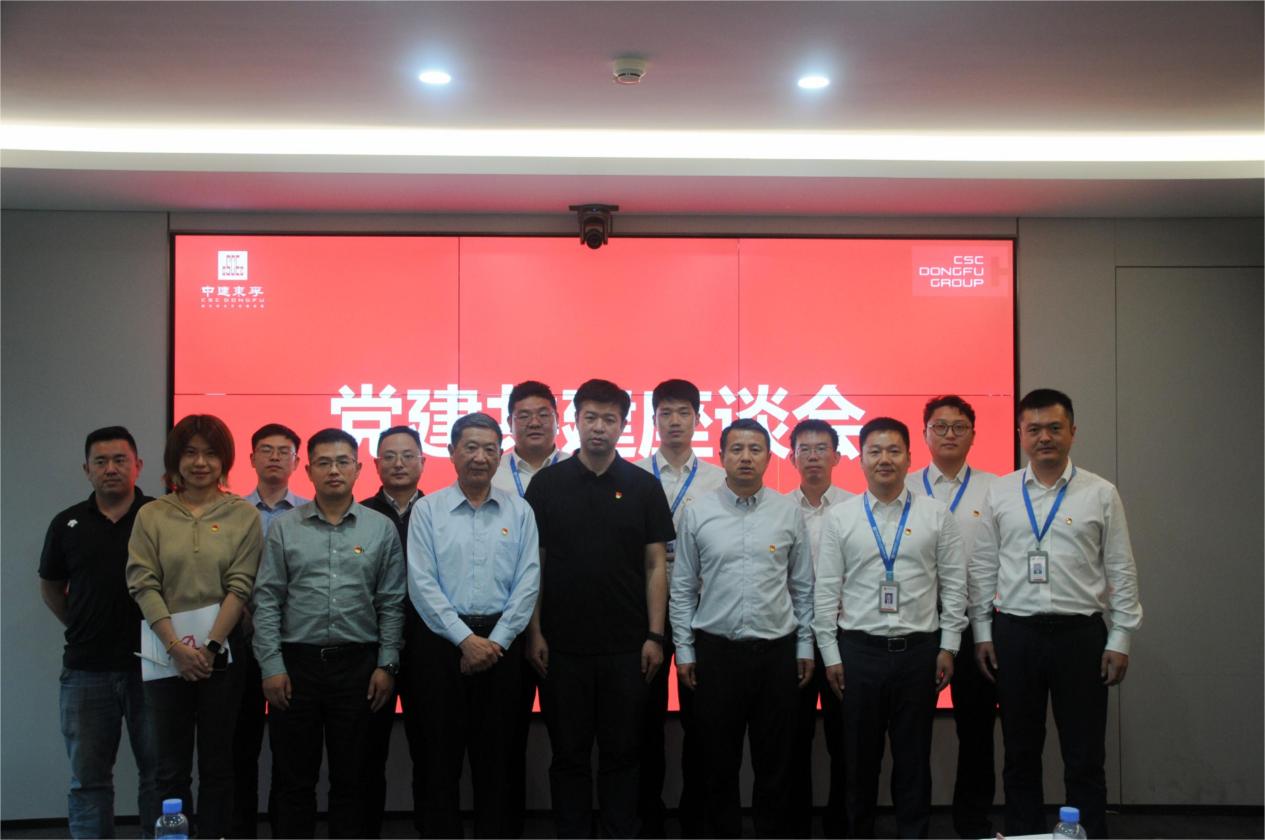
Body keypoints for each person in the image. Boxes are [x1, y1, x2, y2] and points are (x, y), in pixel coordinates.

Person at [970, 389, 1142, 839]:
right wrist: (983, 632)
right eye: (1034, 429)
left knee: (1084, 756)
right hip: (1016, 634)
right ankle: (1024, 835)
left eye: (1054, 428)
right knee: (1020, 753)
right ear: (1020, 434)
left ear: (1072, 432)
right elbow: (984, 565)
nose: (1044, 437)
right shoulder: (1000, 492)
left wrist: (1121, 636)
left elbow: (1121, 568)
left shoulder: (1100, 493)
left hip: (1079, 637)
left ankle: (1087, 835)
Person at [524, 378, 675, 838]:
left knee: (622, 755)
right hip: (561, 648)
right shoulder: (547, 485)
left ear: (624, 426)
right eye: (590, 417)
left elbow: (656, 565)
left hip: (627, 649)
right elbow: (534, 566)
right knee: (568, 756)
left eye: (610, 419)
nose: (599, 427)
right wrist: (535, 633)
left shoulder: (643, 486)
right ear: (574, 421)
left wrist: (654, 635)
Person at [814, 416, 967, 839]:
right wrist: (830, 655)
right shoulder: (841, 517)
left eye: (894, 450)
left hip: (919, 653)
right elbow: (826, 590)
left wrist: (949, 647)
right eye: (875, 451)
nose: (885, 459)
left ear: (909, 457)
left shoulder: (936, 515)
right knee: (858, 762)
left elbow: (954, 585)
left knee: (913, 760)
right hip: (858, 653)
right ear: (861, 459)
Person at [251, 427, 405, 838]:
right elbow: (267, 599)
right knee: (292, 779)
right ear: (308, 471)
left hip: (359, 667)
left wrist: (387, 664)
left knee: (353, 779)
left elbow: (391, 602)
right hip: (295, 666)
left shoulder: (380, 528)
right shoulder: (285, 527)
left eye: (342, 462)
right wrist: (271, 666)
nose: (333, 470)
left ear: (358, 468)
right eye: (323, 462)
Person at [671, 418, 815, 838]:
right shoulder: (698, 512)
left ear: (769, 458)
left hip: (777, 654)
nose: (746, 457)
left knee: (777, 764)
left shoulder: (787, 511)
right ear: (721, 456)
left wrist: (804, 646)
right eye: (737, 449)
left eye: (755, 449)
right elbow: (682, 588)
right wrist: (685, 650)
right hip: (716, 654)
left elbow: (802, 586)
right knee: (716, 763)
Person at [126, 414, 262, 839]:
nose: (200, 462)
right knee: (169, 768)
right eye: (189, 453)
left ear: (224, 461)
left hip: (222, 654)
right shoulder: (152, 514)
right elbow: (142, 582)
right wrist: (175, 647)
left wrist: (210, 647)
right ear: (175, 460)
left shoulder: (242, 514)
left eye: (210, 453)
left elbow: (240, 585)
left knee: (219, 765)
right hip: (165, 653)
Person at [408, 412, 541, 837]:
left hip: (504, 648)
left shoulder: (520, 511)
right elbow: (421, 583)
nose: (480, 457)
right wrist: (465, 640)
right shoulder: (427, 510)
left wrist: (495, 642)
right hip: (441, 647)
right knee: (437, 760)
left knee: (500, 761)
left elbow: (528, 582)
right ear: (451, 453)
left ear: (500, 455)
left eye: (489, 449)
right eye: (470, 447)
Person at [40, 426, 159, 839]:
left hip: (153, 668)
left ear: (137, 465)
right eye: (101, 461)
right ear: (86, 469)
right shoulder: (67, 523)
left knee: (159, 776)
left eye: (120, 460)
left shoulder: (160, 516)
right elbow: (51, 586)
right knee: (88, 781)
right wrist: (80, 623)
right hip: (86, 671)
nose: (111, 468)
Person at [634, 378, 726, 838]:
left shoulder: (718, 479)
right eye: (665, 413)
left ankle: (697, 818)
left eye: (683, 413)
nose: (674, 421)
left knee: (703, 720)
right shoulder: (633, 475)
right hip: (642, 612)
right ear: (653, 420)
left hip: (704, 608)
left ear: (697, 419)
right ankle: (646, 818)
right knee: (642, 720)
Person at [905, 396, 999, 839]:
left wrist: (982, 628)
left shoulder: (996, 489)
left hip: (978, 623)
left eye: (959, 427)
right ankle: (914, 823)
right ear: (924, 434)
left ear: (973, 436)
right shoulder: (903, 486)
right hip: (918, 623)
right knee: (911, 731)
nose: (948, 434)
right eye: (939, 426)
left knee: (977, 730)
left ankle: (973, 823)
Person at [492, 380, 569, 838]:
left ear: (558, 420)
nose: (534, 422)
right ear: (510, 422)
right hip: (502, 624)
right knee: (504, 739)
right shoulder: (491, 473)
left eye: (543, 414)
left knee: (570, 739)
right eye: (524, 415)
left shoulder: (581, 470)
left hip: (566, 621)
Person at [233, 423, 309, 839]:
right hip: (240, 639)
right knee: (239, 747)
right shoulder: (232, 512)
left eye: (284, 451)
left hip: (292, 644)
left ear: (297, 462)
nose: (275, 457)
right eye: (266, 449)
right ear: (251, 459)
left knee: (290, 753)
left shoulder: (310, 513)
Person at [786, 418, 853, 838]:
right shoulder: (777, 508)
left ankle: (840, 826)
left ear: (837, 456)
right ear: (791, 457)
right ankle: (795, 826)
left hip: (843, 636)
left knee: (844, 739)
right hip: (790, 636)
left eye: (821, 448)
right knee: (792, 740)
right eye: (804, 449)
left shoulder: (854, 508)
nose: (813, 457)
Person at [359, 425, 426, 838]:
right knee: (366, 755)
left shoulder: (439, 512)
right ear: (375, 464)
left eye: (407, 455)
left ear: (423, 461)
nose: (398, 463)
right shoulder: (360, 515)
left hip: (427, 649)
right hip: (369, 651)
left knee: (431, 755)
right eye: (389, 456)